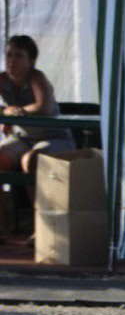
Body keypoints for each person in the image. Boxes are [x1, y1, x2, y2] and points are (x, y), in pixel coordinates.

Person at [1, 35, 74, 239]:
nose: (11, 60)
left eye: (18, 56)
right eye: (8, 55)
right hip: (23, 139)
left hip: (54, 137)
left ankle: (39, 227)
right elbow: (6, 111)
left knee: (31, 160)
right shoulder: (2, 79)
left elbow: (43, 106)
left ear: (31, 61)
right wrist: (6, 113)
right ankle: (2, 226)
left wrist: (16, 111)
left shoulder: (37, 77)